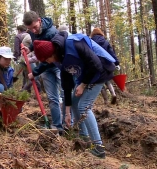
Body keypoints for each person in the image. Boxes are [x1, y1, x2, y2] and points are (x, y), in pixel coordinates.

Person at [32, 31, 116, 159]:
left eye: (46, 59)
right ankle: (84, 137)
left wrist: (83, 84)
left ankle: (99, 148)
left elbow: (96, 65)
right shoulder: (59, 58)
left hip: (101, 72)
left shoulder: (73, 44)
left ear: (51, 53)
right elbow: (66, 84)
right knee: (75, 103)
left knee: (84, 106)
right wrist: (67, 112)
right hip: (86, 75)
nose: (47, 62)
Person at [22, 11, 63, 132]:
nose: (33, 31)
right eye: (30, 29)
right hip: (46, 68)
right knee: (52, 98)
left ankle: (69, 124)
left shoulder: (52, 33)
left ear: (39, 20)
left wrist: (34, 72)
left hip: (57, 65)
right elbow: (36, 43)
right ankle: (57, 126)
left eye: (34, 27)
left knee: (65, 94)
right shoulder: (33, 31)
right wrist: (29, 48)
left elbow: (49, 58)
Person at [90, 28, 120, 104]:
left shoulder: (91, 42)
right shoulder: (105, 42)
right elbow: (111, 53)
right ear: (101, 33)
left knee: (100, 82)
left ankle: (106, 100)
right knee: (107, 81)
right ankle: (113, 94)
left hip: (96, 65)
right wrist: (117, 63)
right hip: (107, 65)